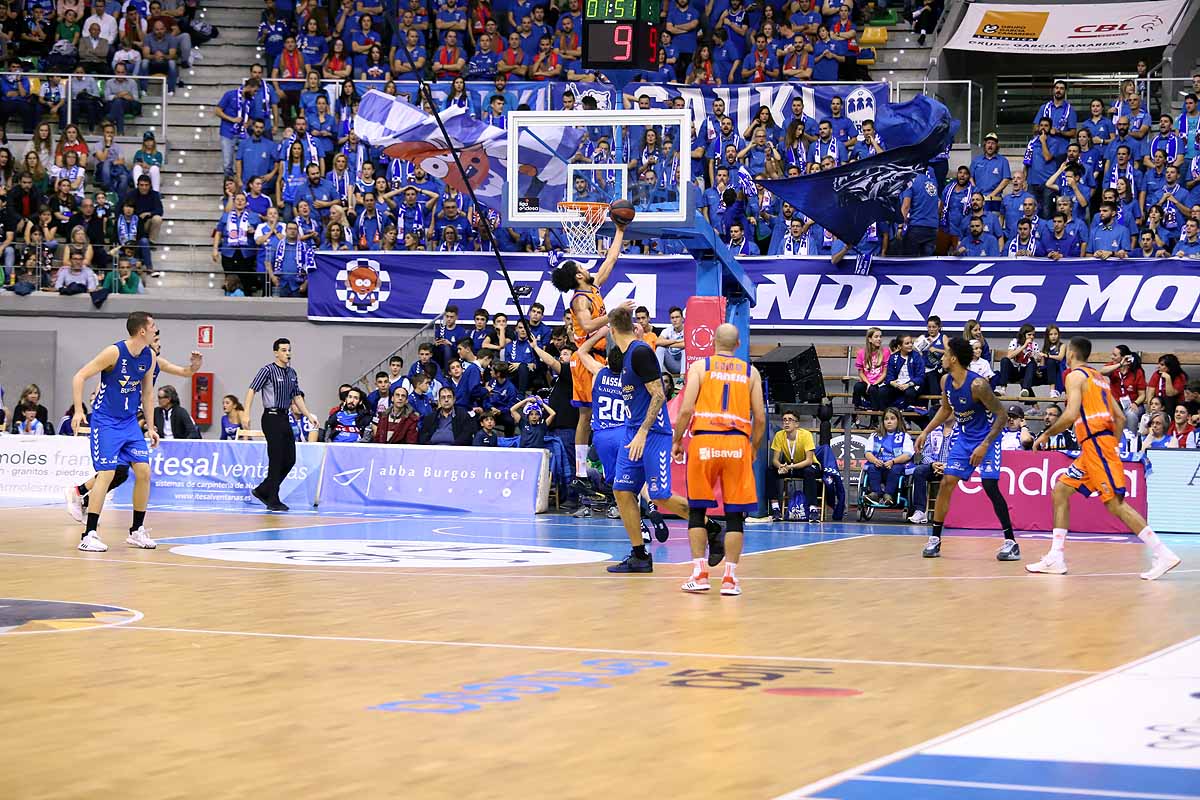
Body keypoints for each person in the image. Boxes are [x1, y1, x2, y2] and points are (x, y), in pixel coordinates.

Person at [1027, 336, 1181, 580]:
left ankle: (1162, 554)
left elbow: (1070, 414)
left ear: (1070, 354)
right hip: (1095, 447)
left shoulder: (1074, 376)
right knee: (1061, 490)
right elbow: (1119, 417)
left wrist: (1045, 434)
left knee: (1114, 504)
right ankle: (1056, 556)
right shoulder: (1099, 378)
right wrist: (1112, 442)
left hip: (1097, 445)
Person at [605, 305, 720, 574]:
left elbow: (658, 395)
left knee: (661, 496)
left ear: (612, 331)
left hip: (652, 433)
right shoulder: (623, 355)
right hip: (632, 432)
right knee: (621, 491)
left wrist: (644, 432)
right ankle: (640, 555)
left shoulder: (640, 352)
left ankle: (713, 528)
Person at [672, 323, 765, 596]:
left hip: (704, 442)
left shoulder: (700, 367)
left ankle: (700, 574)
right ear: (738, 345)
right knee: (735, 514)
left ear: (713, 342)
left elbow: (686, 409)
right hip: (737, 443)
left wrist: (677, 440)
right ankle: (730, 579)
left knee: (698, 510)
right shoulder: (751, 372)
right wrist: (754, 447)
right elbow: (759, 417)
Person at [914, 337, 1019, 561]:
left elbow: (1001, 416)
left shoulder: (978, 385)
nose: (941, 357)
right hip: (964, 438)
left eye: (944, 354)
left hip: (988, 438)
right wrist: (925, 431)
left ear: (953, 358)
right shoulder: (945, 381)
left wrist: (984, 445)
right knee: (946, 482)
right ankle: (935, 539)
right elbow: (944, 410)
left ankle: (1011, 542)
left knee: (990, 486)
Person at [550, 221, 633, 484]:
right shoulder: (580, 299)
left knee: (605, 411)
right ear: (577, 276)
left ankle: (603, 464)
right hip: (585, 357)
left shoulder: (593, 287)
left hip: (601, 356)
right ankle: (581, 470)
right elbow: (586, 325)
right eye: (581, 267)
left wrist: (620, 231)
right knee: (586, 414)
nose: (587, 267)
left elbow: (610, 261)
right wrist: (615, 313)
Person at [70, 311, 160, 552]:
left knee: (143, 471)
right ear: (142, 330)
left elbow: (148, 394)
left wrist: (150, 427)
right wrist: (79, 411)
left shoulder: (149, 356)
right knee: (107, 473)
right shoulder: (114, 352)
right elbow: (79, 377)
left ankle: (136, 532)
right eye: (153, 327)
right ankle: (89, 533)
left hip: (130, 422)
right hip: (106, 422)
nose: (155, 330)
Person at [244, 338, 320, 511]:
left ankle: (264, 489)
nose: (288, 354)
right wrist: (247, 413)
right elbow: (252, 389)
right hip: (271, 417)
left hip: (285, 417)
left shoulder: (292, 373)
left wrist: (308, 415)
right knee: (276, 458)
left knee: (290, 459)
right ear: (276, 352)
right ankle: (273, 498)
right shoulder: (267, 370)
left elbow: (297, 396)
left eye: (289, 350)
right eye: (284, 350)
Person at [768, 410, 821, 521]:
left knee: (809, 471)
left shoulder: (806, 435)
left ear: (797, 424)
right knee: (770, 471)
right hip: (789, 467)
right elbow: (775, 460)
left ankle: (813, 509)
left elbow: (809, 461)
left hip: (808, 466)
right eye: (784, 420)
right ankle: (775, 509)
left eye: (790, 420)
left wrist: (790, 467)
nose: (786, 423)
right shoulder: (779, 435)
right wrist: (780, 467)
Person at [863, 407, 914, 507]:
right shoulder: (874, 435)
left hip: (895, 465)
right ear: (883, 421)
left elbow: (907, 455)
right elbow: (867, 452)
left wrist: (893, 461)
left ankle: (888, 495)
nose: (889, 422)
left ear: (898, 420)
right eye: (886, 419)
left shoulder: (905, 436)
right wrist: (875, 460)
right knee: (872, 467)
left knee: (896, 468)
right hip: (879, 465)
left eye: (892, 418)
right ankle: (876, 494)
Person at [908, 418, 953, 525]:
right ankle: (920, 511)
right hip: (934, 466)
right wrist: (933, 464)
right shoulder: (933, 431)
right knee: (919, 471)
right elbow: (925, 455)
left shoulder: (961, 431)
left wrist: (946, 466)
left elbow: (963, 454)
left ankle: (954, 513)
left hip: (952, 467)